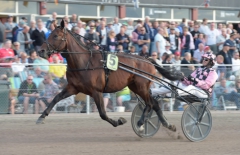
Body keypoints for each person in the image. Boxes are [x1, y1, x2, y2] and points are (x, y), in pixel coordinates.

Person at [150, 52, 218, 99]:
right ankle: (152, 92)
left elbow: (207, 85)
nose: (203, 60)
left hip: (204, 93)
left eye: (206, 59)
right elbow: (188, 82)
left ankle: (177, 93)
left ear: (211, 62)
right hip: (193, 89)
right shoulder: (198, 69)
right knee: (174, 84)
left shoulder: (213, 73)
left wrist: (195, 80)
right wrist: (183, 78)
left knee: (192, 87)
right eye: (203, 59)